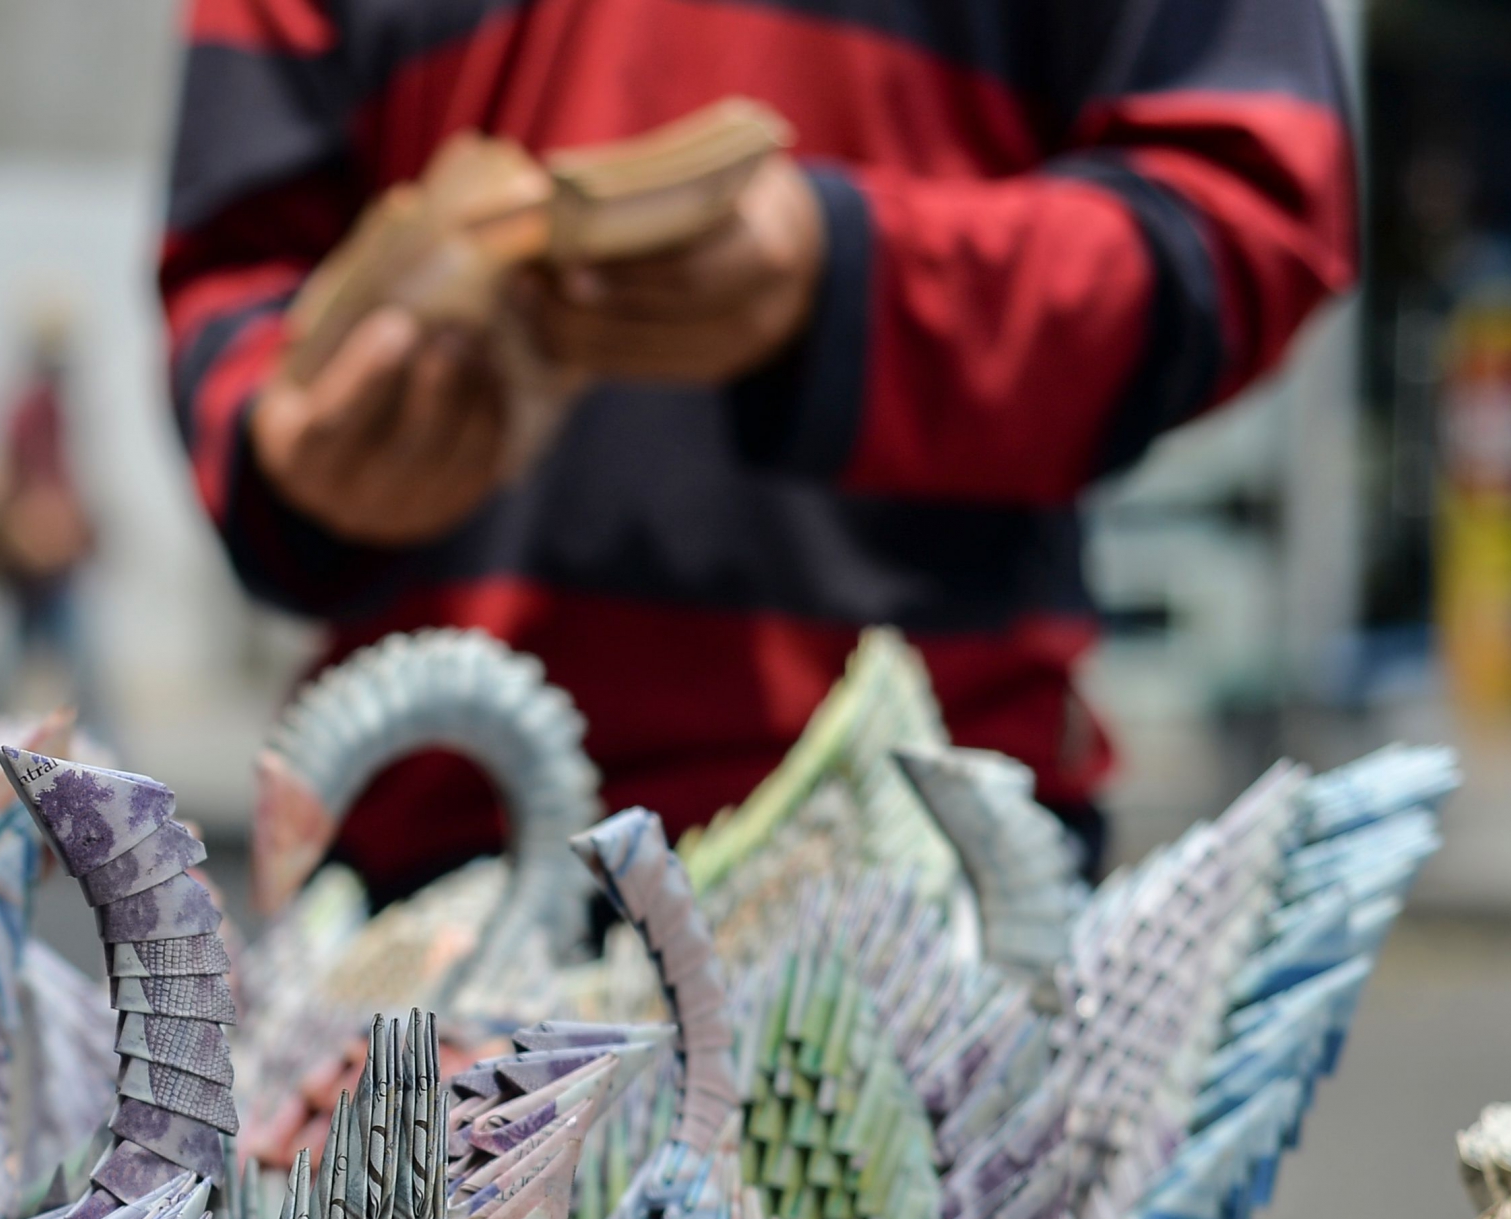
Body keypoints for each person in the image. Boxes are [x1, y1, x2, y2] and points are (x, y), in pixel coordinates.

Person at [159, 0, 1356, 895]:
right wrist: (296, 448)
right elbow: (233, 277)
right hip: (435, 880)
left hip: (928, 882)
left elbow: (1251, 205)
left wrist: (856, 284)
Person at [0, 303, 109, 740]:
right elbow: (33, 472)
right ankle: (107, 743)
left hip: (43, 539)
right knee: (77, 656)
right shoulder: (38, 404)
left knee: (19, 651)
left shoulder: (37, 401)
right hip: (41, 541)